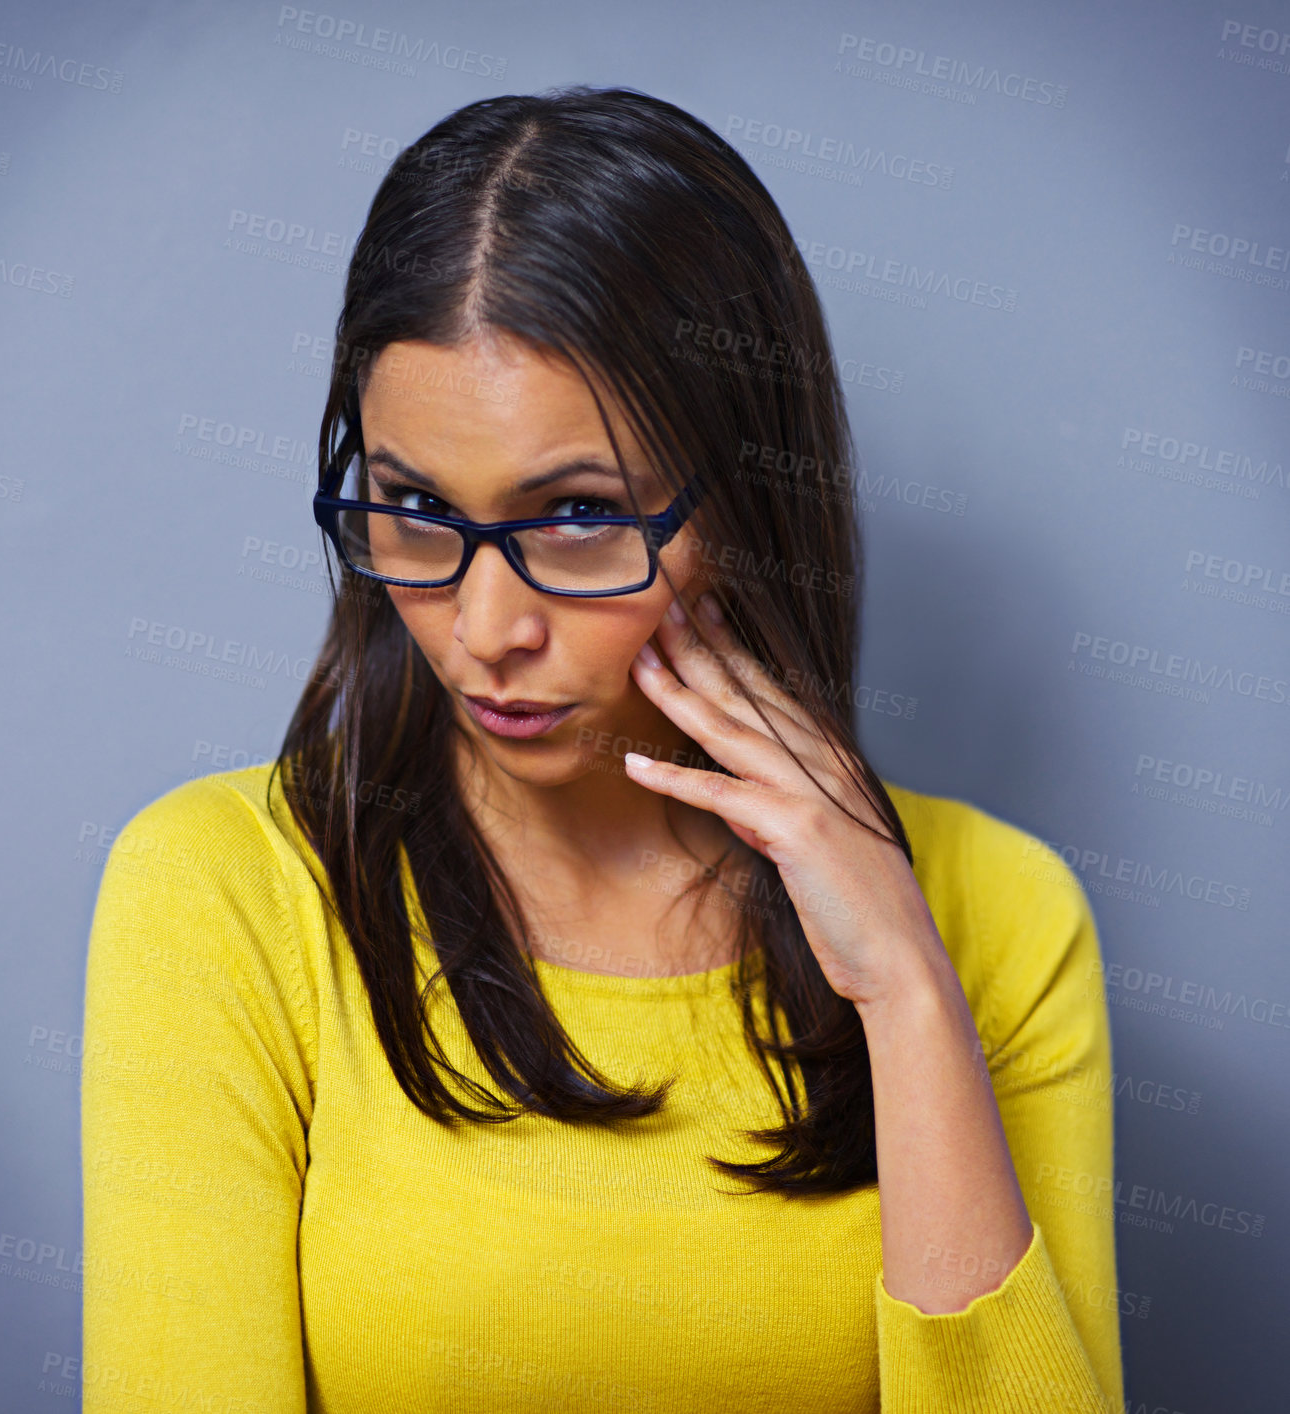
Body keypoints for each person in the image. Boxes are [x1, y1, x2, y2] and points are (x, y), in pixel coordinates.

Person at [81, 85, 1123, 1413]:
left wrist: (911, 997)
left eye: (575, 514)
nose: (483, 625)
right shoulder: (223, 891)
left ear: (744, 498)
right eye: (411, 507)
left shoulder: (1002, 916)